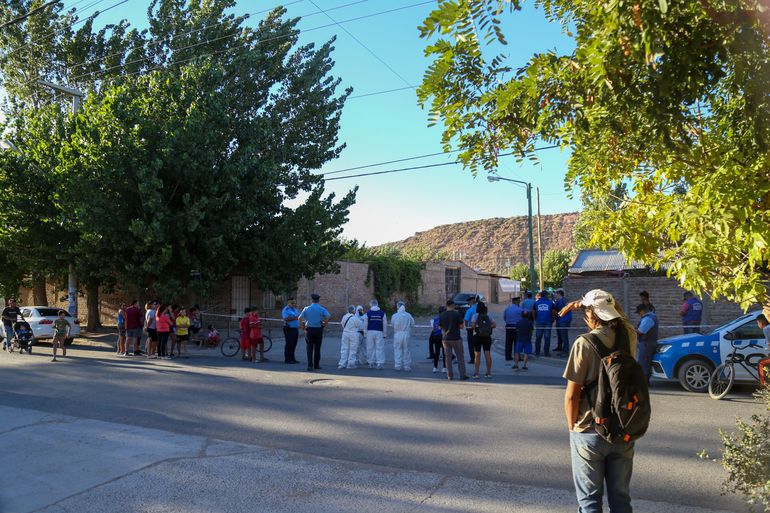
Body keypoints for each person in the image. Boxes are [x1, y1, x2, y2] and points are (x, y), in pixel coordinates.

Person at [559, 289, 638, 513]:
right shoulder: (629, 334)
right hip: (623, 427)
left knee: (590, 502)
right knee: (621, 499)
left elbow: (572, 394)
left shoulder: (584, 343)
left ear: (591, 315)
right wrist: (593, 304)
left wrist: (573, 428)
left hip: (589, 429)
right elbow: (621, 316)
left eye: (586, 313)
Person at [299, 294, 330, 371]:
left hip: (309, 329)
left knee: (309, 348)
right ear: (318, 300)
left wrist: (302, 326)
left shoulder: (306, 308)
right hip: (318, 329)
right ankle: (316, 365)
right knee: (317, 348)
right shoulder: (321, 308)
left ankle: (310, 365)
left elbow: (299, 318)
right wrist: (325, 324)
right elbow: (328, 316)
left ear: (312, 300)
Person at [439, 299, 468, 381]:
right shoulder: (456, 314)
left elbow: (440, 326)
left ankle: (449, 376)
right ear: (452, 305)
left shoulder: (442, 314)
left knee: (448, 358)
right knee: (460, 357)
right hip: (456, 338)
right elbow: (462, 326)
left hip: (445, 338)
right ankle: (462, 375)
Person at [635, 303, 659, 385]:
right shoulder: (653, 316)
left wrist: (633, 331)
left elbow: (641, 331)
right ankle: (646, 381)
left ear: (643, 311)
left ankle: (644, 382)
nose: (639, 314)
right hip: (649, 342)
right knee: (646, 362)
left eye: (639, 312)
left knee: (643, 363)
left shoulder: (648, 319)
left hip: (646, 343)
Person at [471, 301, 496, 378]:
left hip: (477, 336)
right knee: (487, 355)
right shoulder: (488, 315)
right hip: (487, 337)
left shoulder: (475, 316)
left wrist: (478, 327)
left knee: (477, 355)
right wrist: (487, 327)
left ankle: (476, 373)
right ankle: (488, 373)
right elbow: (494, 325)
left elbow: (473, 326)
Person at [391, 300, 415, 371]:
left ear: (398, 307)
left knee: (397, 349)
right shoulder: (408, 315)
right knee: (406, 350)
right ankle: (406, 366)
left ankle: (398, 365)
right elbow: (413, 323)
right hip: (406, 333)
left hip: (397, 333)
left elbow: (392, 324)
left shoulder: (395, 315)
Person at [365, 299, 387, 370]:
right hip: (379, 332)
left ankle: (370, 362)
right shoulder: (382, 313)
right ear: (377, 304)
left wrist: (365, 333)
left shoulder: (368, 313)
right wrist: (384, 334)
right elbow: (384, 324)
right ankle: (380, 363)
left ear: (371, 304)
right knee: (379, 348)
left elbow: (365, 324)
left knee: (370, 348)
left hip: (370, 332)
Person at [534, 290, 555, 357]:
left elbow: (533, 312)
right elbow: (554, 312)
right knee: (547, 338)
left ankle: (537, 352)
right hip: (547, 322)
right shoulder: (550, 303)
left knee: (538, 337)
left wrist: (535, 319)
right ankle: (546, 353)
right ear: (546, 295)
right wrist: (552, 320)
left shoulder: (536, 303)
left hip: (539, 322)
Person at [503, 297, 523, 362]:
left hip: (508, 326)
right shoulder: (520, 309)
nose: (519, 302)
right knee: (517, 342)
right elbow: (522, 319)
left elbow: (504, 318)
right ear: (516, 301)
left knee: (508, 342)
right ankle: (517, 357)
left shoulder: (507, 309)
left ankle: (508, 356)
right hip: (517, 327)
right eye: (519, 301)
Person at [554, 289, 572, 357]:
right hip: (559, 320)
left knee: (564, 336)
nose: (554, 295)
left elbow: (566, 308)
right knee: (559, 334)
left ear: (559, 294)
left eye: (555, 294)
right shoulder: (558, 301)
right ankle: (559, 347)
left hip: (564, 320)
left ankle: (565, 351)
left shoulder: (564, 300)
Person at [282, 298, 301, 364]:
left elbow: (299, 316)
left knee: (294, 344)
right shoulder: (286, 309)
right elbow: (286, 318)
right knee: (289, 344)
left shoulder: (295, 309)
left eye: (294, 303)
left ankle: (292, 358)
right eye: (292, 303)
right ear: (289, 303)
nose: (294, 304)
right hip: (289, 329)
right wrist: (295, 318)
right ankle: (287, 359)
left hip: (295, 328)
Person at [430, 306, 446, 373]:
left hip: (436, 336)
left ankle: (435, 367)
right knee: (444, 352)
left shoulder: (435, 319)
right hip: (442, 336)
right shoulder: (445, 318)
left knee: (436, 352)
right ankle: (444, 367)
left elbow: (433, 329)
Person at [756, 314, 770, 386]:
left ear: (761, 322)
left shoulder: (766, 329)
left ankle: (763, 385)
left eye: (757, 323)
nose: (758, 325)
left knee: (760, 362)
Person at [464, 295, 478, 364]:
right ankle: (477, 358)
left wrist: (466, 327)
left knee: (471, 344)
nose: (468, 303)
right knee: (477, 344)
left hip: (471, 329)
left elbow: (466, 320)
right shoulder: (479, 308)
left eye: (469, 302)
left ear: (471, 301)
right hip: (479, 329)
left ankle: (473, 359)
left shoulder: (469, 310)